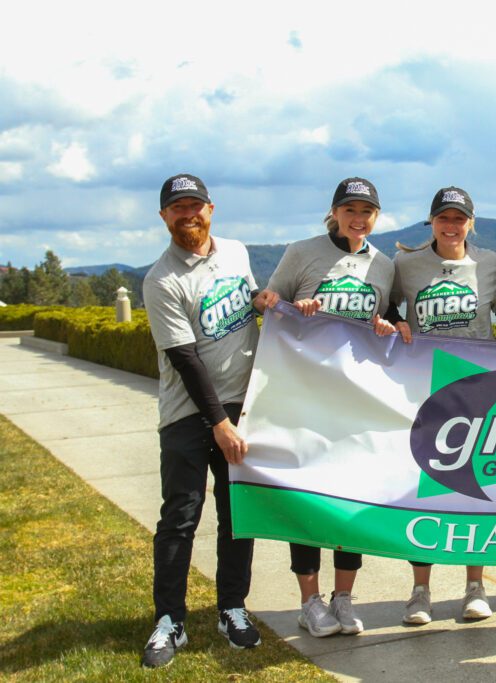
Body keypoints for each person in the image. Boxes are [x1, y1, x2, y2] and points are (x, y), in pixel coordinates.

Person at [141, 174, 279, 668]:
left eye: (194, 206)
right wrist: (219, 424)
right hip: (188, 415)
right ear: (164, 217)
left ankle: (232, 608)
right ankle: (169, 619)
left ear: (211, 209)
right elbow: (186, 359)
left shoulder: (236, 252)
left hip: (242, 408)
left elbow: (249, 301)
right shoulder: (161, 280)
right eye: (177, 209)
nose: (188, 215)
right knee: (180, 515)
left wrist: (264, 300)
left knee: (237, 515)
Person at [265, 177, 397, 637]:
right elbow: (268, 301)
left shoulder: (383, 263)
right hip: (304, 396)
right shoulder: (302, 252)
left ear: (376, 217)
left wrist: (387, 323)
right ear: (335, 212)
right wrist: (290, 305)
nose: (358, 219)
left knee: (351, 500)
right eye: (350, 210)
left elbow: (391, 315)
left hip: (355, 399)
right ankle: (309, 601)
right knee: (308, 499)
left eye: (367, 212)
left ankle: (343, 598)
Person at [390, 186, 496, 624]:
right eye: (443, 218)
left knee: (472, 490)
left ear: (472, 222)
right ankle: (420, 591)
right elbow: (385, 305)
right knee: (422, 492)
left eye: (459, 219)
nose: (451, 226)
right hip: (421, 391)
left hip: (474, 392)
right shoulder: (406, 264)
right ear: (431, 222)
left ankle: (475, 585)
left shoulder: (486, 263)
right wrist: (394, 321)